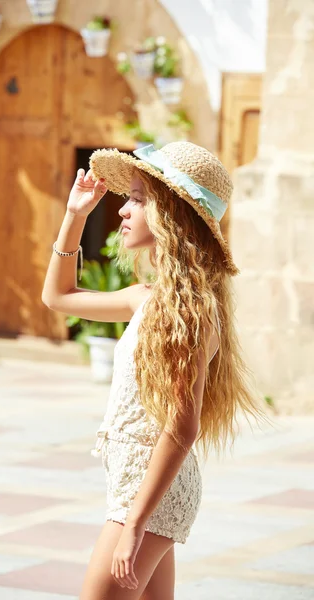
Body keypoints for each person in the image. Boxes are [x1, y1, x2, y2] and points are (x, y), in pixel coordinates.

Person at [42, 141, 269, 600]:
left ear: (171, 215)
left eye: (139, 199)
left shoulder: (185, 313)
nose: (124, 210)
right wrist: (76, 216)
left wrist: (134, 525)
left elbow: (181, 429)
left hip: (149, 498)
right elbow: (58, 297)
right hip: (138, 489)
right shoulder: (147, 298)